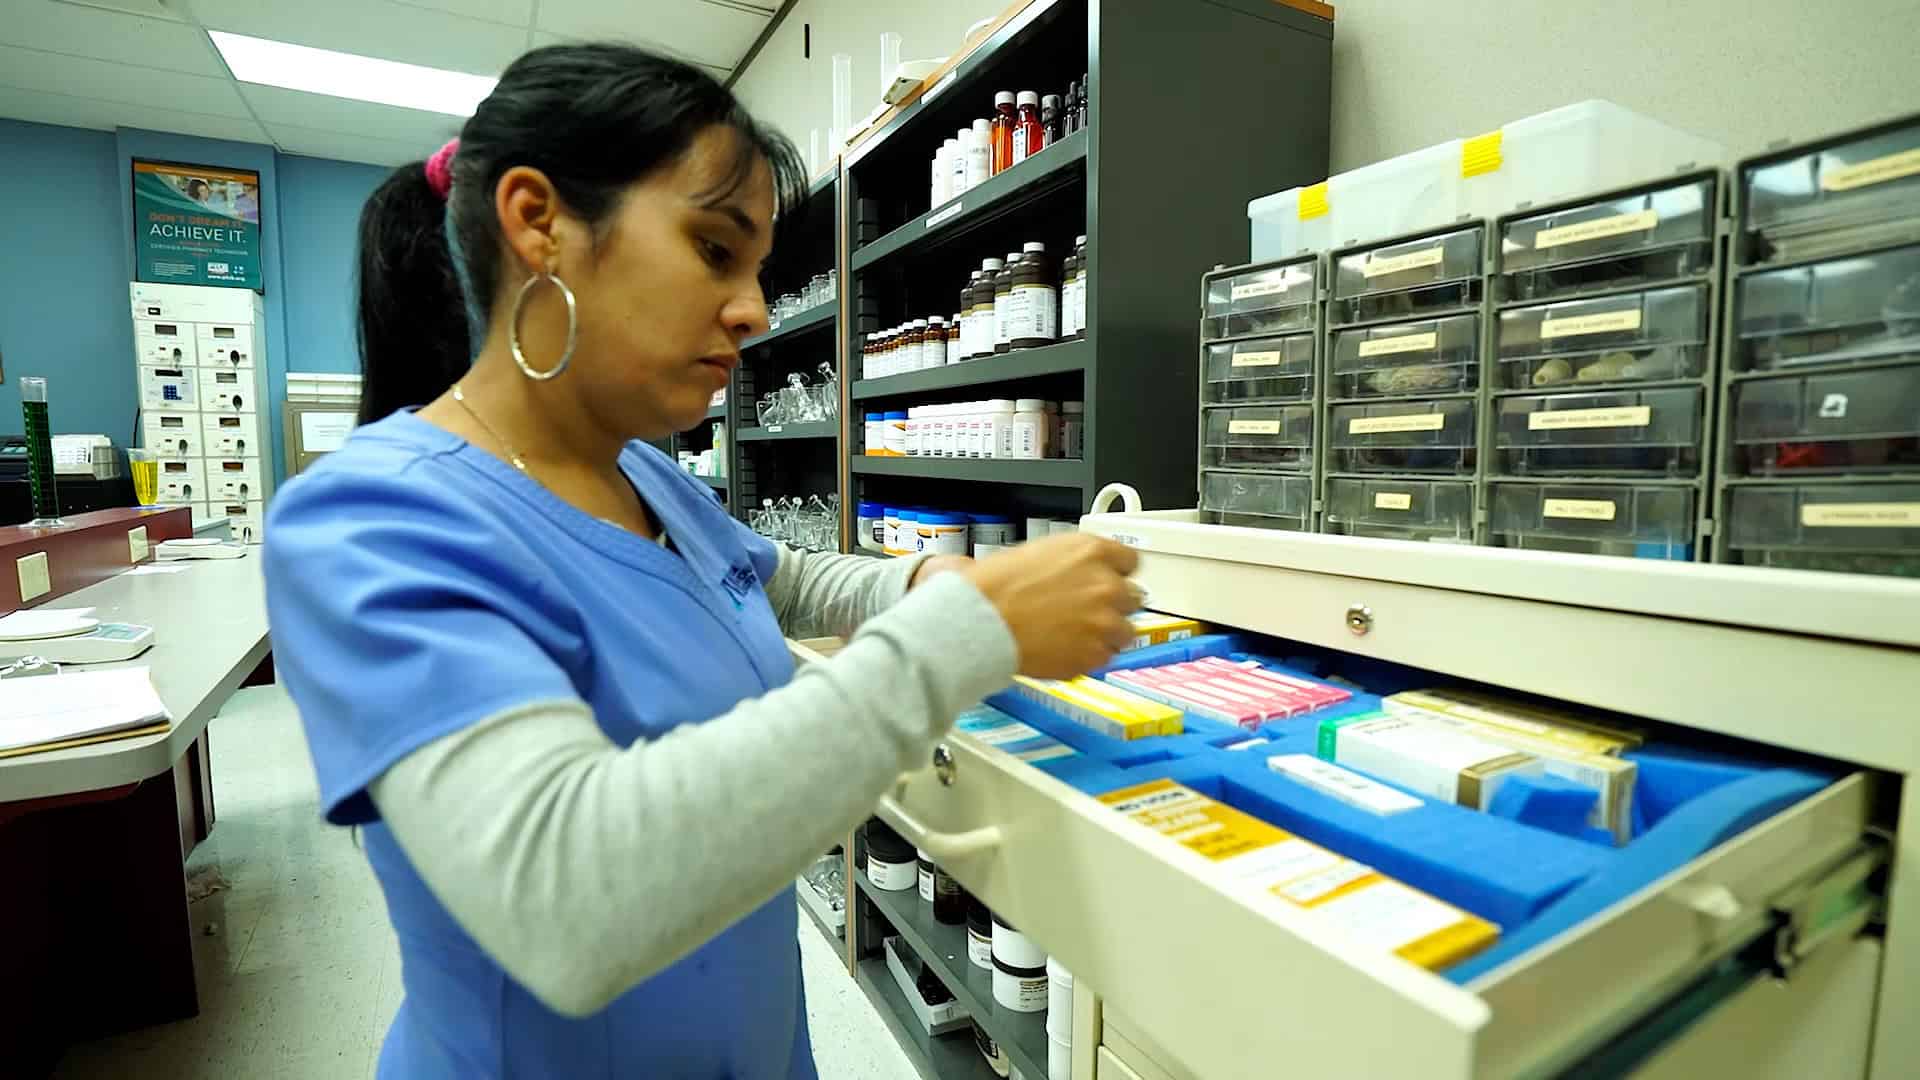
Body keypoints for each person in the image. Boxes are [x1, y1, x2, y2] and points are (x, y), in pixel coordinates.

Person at [262, 43, 1139, 1079]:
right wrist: (964, 635)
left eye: (759, 267)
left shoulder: (642, 470)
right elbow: (564, 901)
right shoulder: (370, 519)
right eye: (715, 251)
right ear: (538, 221)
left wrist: (918, 580)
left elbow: (772, 581)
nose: (755, 309)